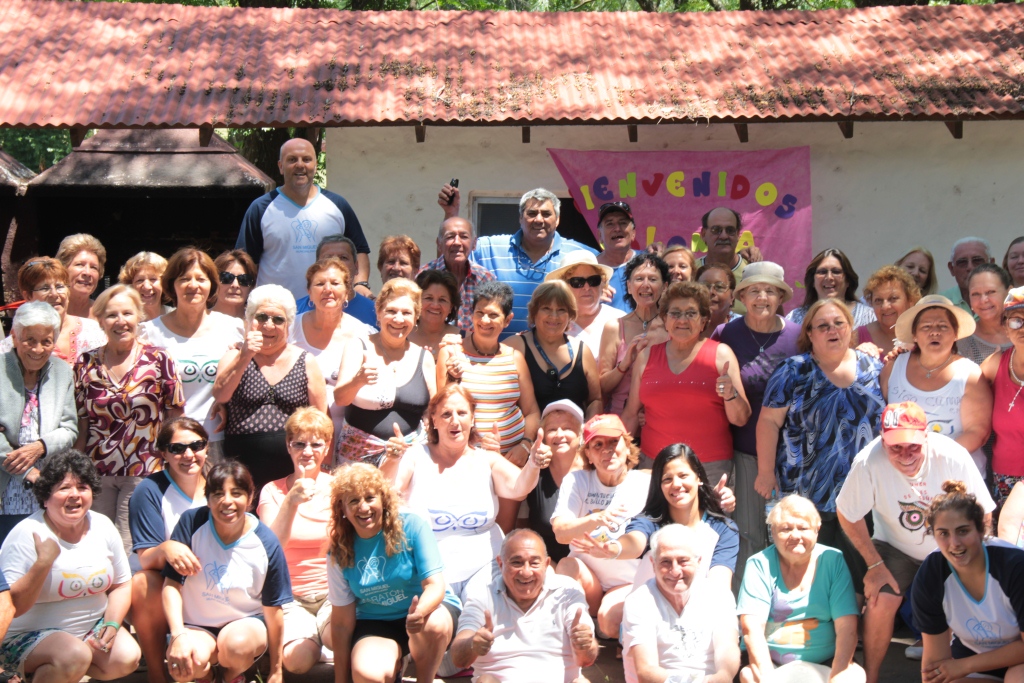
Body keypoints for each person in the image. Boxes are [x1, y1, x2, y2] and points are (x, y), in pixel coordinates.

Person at [835, 401, 995, 683]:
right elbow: (847, 513)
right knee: (881, 598)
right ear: (882, 441)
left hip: (951, 547)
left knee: (966, 599)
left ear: (926, 436)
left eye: (913, 446)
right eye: (895, 447)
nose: (905, 455)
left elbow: (982, 511)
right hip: (895, 546)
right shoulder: (867, 461)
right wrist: (874, 564)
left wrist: (973, 562)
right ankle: (870, 677)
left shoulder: (952, 454)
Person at [390, 384, 547, 609]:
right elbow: (388, 489)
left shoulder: (487, 459)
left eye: (462, 413)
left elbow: (519, 486)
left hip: (484, 568)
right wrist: (393, 460)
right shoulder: (415, 456)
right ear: (433, 420)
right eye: (446, 414)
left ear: (472, 419)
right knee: (436, 626)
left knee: (483, 614)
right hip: (430, 573)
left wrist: (533, 463)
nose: (455, 420)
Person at [756, 299, 884, 556]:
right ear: (810, 334)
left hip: (863, 491)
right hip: (805, 489)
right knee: (806, 564)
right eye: (823, 326)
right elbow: (769, 422)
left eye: (839, 323)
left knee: (860, 570)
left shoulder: (874, 367)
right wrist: (765, 472)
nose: (832, 330)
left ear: (850, 328)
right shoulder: (792, 370)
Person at [0, 450, 140, 683]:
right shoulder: (26, 534)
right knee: (73, 656)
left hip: (88, 630)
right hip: (26, 637)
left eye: (82, 487)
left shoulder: (103, 525)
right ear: (46, 497)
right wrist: (43, 563)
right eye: (64, 488)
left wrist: (113, 623)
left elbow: (122, 584)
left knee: (127, 657)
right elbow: (12, 606)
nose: (74, 495)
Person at [74, 284, 185, 558]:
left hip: (144, 470)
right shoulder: (85, 364)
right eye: (112, 315)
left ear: (139, 316)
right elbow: (82, 423)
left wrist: (176, 460)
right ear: (100, 320)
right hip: (97, 472)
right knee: (95, 546)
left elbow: (176, 416)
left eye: (127, 313)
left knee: (127, 549)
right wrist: (75, 471)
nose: (120, 321)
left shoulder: (159, 359)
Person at [328, 463, 460, 683]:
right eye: (353, 500)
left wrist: (418, 614)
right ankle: (395, 665)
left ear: (383, 500)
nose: (363, 508)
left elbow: (435, 585)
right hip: (377, 620)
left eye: (370, 498)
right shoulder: (339, 549)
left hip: (425, 611)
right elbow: (341, 622)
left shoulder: (413, 526)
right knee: (367, 674)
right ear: (342, 508)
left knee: (433, 625)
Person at [162, 462, 290, 683]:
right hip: (196, 625)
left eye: (237, 493)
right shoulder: (191, 523)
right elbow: (171, 586)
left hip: (245, 625)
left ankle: (228, 676)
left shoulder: (266, 542)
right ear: (208, 498)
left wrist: (277, 670)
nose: (227, 501)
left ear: (250, 499)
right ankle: (211, 677)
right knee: (181, 665)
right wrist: (178, 634)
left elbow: (274, 609)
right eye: (218, 494)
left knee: (236, 647)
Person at [711, 262, 800, 579]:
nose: (762, 297)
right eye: (754, 290)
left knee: (791, 532)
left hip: (792, 457)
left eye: (770, 291)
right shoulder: (726, 334)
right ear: (742, 297)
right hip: (744, 452)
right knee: (749, 534)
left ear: (780, 297)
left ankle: (790, 608)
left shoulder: (798, 337)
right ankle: (750, 609)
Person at [623, 281, 750, 477]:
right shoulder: (646, 357)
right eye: (675, 313)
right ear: (665, 319)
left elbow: (740, 419)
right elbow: (631, 415)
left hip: (710, 469)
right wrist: (621, 458)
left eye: (691, 313)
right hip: (653, 467)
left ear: (704, 320)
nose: (682, 320)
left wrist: (731, 394)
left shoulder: (721, 355)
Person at [213, 284, 327, 496]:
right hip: (242, 466)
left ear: (288, 325)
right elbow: (220, 394)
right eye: (261, 317)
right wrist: (245, 356)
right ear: (249, 320)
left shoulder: (305, 360)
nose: (268, 325)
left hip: (292, 466)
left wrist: (322, 466)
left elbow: (321, 420)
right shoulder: (234, 356)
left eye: (278, 319)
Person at [736, 495, 863, 683]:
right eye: (786, 529)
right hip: (770, 662)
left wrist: (836, 676)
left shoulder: (832, 560)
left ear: (817, 530)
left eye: (803, 528)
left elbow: (847, 627)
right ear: (773, 531)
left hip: (827, 660)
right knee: (748, 676)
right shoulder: (759, 564)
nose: (795, 536)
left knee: (855, 676)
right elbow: (751, 629)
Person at [445, 187, 596, 339]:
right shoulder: (489, 248)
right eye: (531, 213)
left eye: (546, 214)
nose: (538, 219)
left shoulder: (579, 254)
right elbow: (448, 260)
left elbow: (609, 271)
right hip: (496, 356)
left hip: (554, 357)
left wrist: (600, 286)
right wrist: (451, 214)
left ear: (557, 220)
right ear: (520, 219)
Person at [450, 529, 598, 682]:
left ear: (546, 564)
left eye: (534, 563)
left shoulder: (567, 591)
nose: (526, 572)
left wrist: (584, 645)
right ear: (500, 564)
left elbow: (586, 660)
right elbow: (459, 659)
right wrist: (473, 644)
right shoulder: (482, 595)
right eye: (516, 562)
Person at [140, 247, 245, 461]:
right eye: (184, 279)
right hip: (170, 443)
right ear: (171, 285)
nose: (193, 285)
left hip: (217, 439)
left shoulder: (233, 328)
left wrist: (227, 401)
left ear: (212, 285)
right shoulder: (148, 333)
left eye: (201, 278)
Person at [914, 480, 1024, 683]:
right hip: (971, 661)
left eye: (963, 531)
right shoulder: (931, 573)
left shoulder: (1015, 566)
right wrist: (955, 670)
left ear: (981, 531)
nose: (954, 543)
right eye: (943, 534)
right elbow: (934, 665)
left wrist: (964, 666)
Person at [236, 137, 370, 301]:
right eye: (292, 160)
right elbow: (245, 262)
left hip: (328, 307)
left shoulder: (338, 205)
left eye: (306, 159)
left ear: (315, 164)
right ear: (280, 166)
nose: (300, 165)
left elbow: (360, 250)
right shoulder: (261, 208)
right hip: (275, 312)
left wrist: (360, 284)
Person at [551, 414, 649, 639]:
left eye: (614, 442)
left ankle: (601, 629)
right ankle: (570, 636)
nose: (608, 450)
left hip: (628, 583)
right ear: (588, 454)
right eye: (598, 444)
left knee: (609, 623)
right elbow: (560, 533)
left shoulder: (645, 484)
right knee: (566, 566)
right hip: (589, 580)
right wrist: (595, 519)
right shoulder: (577, 480)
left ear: (627, 445)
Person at [128, 417, 209, 683]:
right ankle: (156, 673)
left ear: (207, 447)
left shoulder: (221, 485)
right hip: (170, 586)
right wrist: (166, 547)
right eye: (177, 449)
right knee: (142, 582)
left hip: (215, 581)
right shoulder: (149, 490)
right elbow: (145, 559)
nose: (188, 455)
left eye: (197, 445)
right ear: (164, 453)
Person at [257, 408, 334, 674]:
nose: (307, 451)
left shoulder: (339, 488)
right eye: (299, 443)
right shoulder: (272, 490)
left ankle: (324, 638)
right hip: (291, 597)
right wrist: (291, 501)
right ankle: (311, 640)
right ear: (288, 447)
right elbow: (270, 547)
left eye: (316, 444)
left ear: (327, 448)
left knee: (342, 636)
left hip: (332, 593)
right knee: (297, 661)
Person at [881, 294, 992, 474]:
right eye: (926, 327)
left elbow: (977, 433)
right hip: (903, 473)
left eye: (943, 326)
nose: (935, 332)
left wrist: (929, 459)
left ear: (956, 334)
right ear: (914, 335)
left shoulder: (969, 374)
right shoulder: (893, 366)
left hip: (955, 475)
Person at [436, 282, 540, 468]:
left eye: (493, 315)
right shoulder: (451, 353)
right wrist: (453, 378)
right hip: (465, 460)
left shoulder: (515, 358)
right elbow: (442, 410)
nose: (485, 321)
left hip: (511, 460)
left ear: (508, 320)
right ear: (471, 314)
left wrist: (525, 445)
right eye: (480, 313)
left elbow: (532, 411)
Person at [333, 278, 435, 467]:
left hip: (410, 459)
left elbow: (433, 409)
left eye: (406, 313)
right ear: (378, 313)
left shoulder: (424, 357)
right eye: (391, 311)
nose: (398, 319)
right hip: (359, 460)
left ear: (416, 317)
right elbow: (340, 398)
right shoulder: (358, 346)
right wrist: (357, 381)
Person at [621, 523, 741, 683]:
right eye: (665, 562)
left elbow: (727, 647)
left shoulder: (719, 594)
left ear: (699, 561)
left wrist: (723, 677)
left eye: (683, 561)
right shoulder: (639, 601)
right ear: (653, 563)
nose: (675, 571)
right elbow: (646, 670)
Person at [612, 444, 739, 591]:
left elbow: (719, 586)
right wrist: (615, 549)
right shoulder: (649, 522)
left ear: (698, 478)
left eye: (683, 476)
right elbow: (635, 542)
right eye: (667, 479)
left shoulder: (723, 529)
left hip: (699, 610)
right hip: (649, 611)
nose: (676, 484)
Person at [0, 302, 78, 539]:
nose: (38, 349)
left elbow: (70, 428)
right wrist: (25, 470)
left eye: (46, 341)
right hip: (5, 481)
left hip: (47, 484)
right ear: (14, 337)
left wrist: (40, 447)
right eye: (29, 340)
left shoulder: (62, 371)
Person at [289, 257, 370, 448]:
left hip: (349, 437)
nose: (327, 289)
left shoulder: (364, 333)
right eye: (319, 284)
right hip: (297, 436)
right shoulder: (289, 328)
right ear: (309, 292)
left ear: (347, 291)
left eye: (335, 283)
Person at [505, 281, 602, 417]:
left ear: (570, 315)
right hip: (526, 436)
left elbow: (595, 400)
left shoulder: (583, 350)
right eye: (546, 308)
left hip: (573, 436)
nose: (554, 316)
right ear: (534, 312)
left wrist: (587, 431)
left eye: (561, 310)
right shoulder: (514, 346)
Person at [598, 253, 669, 415]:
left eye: (652, 279)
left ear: (665, 287)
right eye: (639, 279)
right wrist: (624, 364)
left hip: (659, 417)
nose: (645, 285)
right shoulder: (614, 327)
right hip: (619, 422)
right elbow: (602, 386)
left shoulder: (673, 327)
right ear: (629, 287)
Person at [4, 257, 106, 364]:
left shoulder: (94, 331)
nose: (54, 294)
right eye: (45, 288)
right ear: (28, 296)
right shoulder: (16, 343)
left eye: (59, 286)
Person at [525, 399, 586, 563]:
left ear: (580, 434)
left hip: (590, 567)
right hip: (546, 566)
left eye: (567, 428)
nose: (559, 434)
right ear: (543, 437)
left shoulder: (594, 471)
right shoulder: (534, 469)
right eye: (552, 429)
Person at [981, 287, 1024, 503]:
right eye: (1017, 321)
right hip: (1006, 480)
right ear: (1006, 328)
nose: (1023, 328)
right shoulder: (994, 365)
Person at [418, 216, 496, 333]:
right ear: (439, 244)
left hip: (472, 349)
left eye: (464, 237)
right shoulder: (422, 275)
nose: (457, 242)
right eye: (450, 237)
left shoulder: (485, 279)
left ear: (474, 244)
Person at [547, 250, 624, 360]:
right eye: (577, 282)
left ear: (602, 284)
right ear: (563, 287)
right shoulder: (551, 323)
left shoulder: (621, 319)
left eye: (593, 280)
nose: (587, 287)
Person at [786, 248, 876, 328]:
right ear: (812, 281)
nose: (829, 277)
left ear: (848, 280)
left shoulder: (869, 316)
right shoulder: (794, 318)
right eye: (822, 272)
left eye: (836, 271)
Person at [858, 265, 922, 358]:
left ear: (910, 300)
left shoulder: (923, 336)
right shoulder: (858, 336)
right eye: (878, 300)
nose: (885, 307)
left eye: (893, 298)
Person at [961, 263, 1013, 364]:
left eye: (991, 292)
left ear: (1009, 292)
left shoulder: (1021, 333)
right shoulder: (962, 342)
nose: (983, 300)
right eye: (975, 294)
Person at [695, 207, 762, 282]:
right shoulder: (691, 272)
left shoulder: (752, 271)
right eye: (716, 230)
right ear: (703, 234)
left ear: (737, 234)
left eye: (730, 230)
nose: (724, 236)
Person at [594, 201, 639, 313]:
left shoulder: (649, 262)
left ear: (633, 233)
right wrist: (589, 301)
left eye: (623, 223)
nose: (617, 228)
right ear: (600, 236)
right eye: (609, 224)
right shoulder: (589, 270)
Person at [408, 269, 461, 359]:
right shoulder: (401, 336)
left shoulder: (464, 339)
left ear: (451, 307)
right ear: (417, 301)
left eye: (442, 300)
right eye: (429, 298)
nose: (435, 305)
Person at [55, 233, 106, 320]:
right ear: (63, 269)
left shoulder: (105, 315)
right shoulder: (48, 313)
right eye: (79, 265)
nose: (87, 272)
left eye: (93, 267)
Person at [943, 237, 995, 315]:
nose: (970, 267)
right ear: (951, 269)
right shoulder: (940, 303)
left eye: (977, 261)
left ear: (991, 265)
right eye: (962, 262)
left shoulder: (1004, 300)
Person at [119, 251, 169, 322]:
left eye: (153, 279)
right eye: (140, 280)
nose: (147, 286)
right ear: (131, 285)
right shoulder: (125, 321)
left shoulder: (177, 317)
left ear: (164, 283)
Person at [211, 250, 257, 321]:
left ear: (252, 286)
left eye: (244, 279)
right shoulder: (198, 322)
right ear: (214, 282)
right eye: (227, 277)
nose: (235, 285)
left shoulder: (259, 324)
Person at [697, 262, 740, 336]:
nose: (711, 292)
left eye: (719, 287)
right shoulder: (683, 325)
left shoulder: (744, 328)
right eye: (704, 287)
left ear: (732, 295)